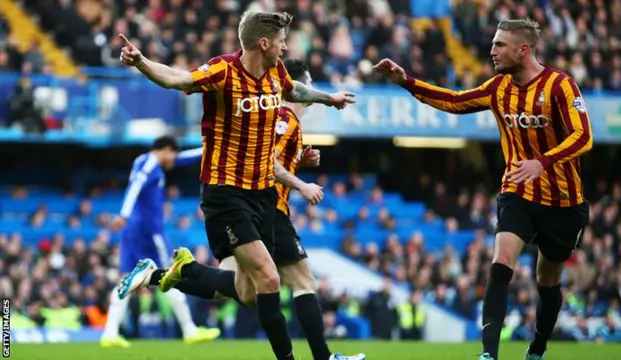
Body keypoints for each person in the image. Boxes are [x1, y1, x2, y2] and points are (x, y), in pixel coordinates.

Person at [118, 11, 355, 360]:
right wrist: (141, 62)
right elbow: (178, 79)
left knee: (247, 292)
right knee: (271, 280)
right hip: (226, 194)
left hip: (263, 196)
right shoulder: (223, 71)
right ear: (264, 43)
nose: (285, 46)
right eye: (281, 41)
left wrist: (328, 98)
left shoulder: (276, 71)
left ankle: (169, 274)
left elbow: (296, 89)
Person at [373, 18, 592, 360]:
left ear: (524, 49)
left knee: (547, 281)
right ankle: (489, 354)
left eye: (499, 45)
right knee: (501, 262)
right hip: (517, 190)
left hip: (563, 201)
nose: (491, 51)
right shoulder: (497, 88)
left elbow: (583, 137)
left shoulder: (561, 86)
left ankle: (537, 347)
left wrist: (542, 162)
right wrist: (407, 82)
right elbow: (455, 101)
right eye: (492, 43)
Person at [100, 136, 221, 348]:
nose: (174, 161)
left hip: (132, 232)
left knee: (126, 279)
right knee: (172, 274)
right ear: (166, 149)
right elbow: (136, 184)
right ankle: (189, 330)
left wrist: (213, 146)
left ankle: (110, 333)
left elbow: (183, 158)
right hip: (149, 232)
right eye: (172, 154)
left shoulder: (146, 161)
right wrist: (123, 214)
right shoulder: (149, 164)